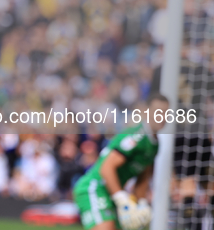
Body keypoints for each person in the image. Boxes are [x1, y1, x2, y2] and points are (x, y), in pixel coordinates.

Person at [73, 93, 170, 230]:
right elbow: (106, 168)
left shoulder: (155, 144)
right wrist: (122, 199)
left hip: (112, 193)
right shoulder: (137, 136)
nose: (162, 117)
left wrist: (141, 202)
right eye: (158, 112)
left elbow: (143, 176)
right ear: (147, 111)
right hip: (95, 187)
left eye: (166, 113)